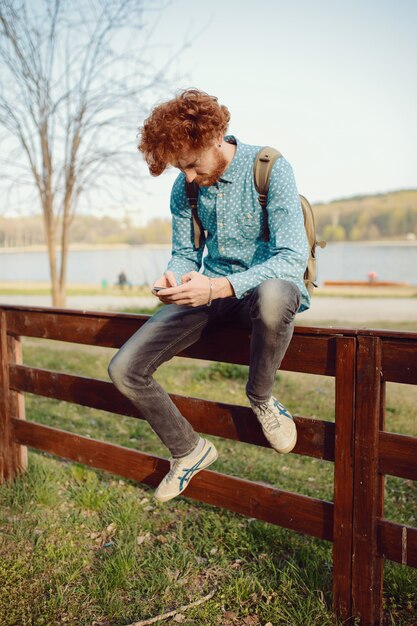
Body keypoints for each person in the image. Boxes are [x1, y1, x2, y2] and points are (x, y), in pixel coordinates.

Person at [108, 89, 310, 503]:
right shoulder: (185, 188)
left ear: (216, 137)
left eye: (191, 165)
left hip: (263, 288)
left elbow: (291, 258)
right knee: (124, 368)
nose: (186, 177)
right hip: (210, 292)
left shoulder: (270, 167)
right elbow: (185, 253)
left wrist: (220, 286)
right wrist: (176, 278)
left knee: (273, 297)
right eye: (178, 168)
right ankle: (188, 450)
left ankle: (261, 398)